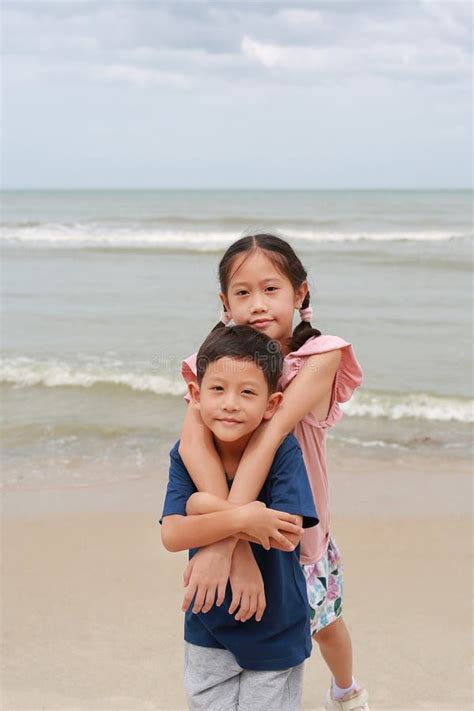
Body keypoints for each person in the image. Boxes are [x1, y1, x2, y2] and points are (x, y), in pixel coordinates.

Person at [179, 234, 369, 711]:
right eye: (242, 293)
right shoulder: (209, 366)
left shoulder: (318, 357)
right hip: (235, 516)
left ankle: (346, 691)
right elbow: (191, 444)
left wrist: (227, 540)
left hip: (294, 524)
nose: (258, 305)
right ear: (224, 303)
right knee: (249, 622)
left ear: (301, 293)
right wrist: (234, 536)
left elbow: (271, 436)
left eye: (271, 289)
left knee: (322, 624)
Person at [161, 325, 319, 711]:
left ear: (271, 404)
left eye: (247, 392)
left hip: (276, 623)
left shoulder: (283, 451)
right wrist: (244, 517)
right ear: (196, 395)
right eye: (217, 389)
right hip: (208, 622)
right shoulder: (186, 455)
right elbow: (172, 535)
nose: (230, 403)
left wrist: (203, 506)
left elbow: (287, 535)